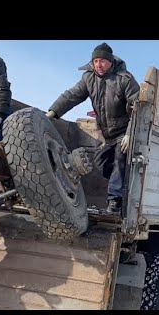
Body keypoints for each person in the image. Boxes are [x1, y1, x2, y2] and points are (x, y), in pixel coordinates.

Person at [45, 42, 140, 214]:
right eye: (96, 61)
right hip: (107, 135)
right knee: (101, 163)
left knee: (119, 160)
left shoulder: (124, 79)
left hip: (124, 132)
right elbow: (72, 95)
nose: (99, 65)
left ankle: (115, 202)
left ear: (111, 61)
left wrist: (130, 132)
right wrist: (53, 111)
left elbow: (138, 107)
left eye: (102, 61)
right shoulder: (88, 78)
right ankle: (123, 183)